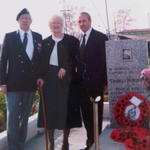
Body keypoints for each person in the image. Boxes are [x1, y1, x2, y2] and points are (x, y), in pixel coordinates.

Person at [0, 8, 43, 150]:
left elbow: (40, 61)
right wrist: (2, 83)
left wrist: (39, 77)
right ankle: (13, 147)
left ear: (31, 20)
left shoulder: (38, 36)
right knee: (12, 118)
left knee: (24, 118)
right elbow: (3, 61)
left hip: (30, 84)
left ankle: (20, 145)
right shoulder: (10, 36)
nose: (25, 20)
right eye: (22, 18)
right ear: (18, 21)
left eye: (27, 18)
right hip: (12, 84)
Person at [37, 15, 82, 150]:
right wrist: (40, 77)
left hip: (66, 80)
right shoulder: (44, 43)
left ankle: (65, 142)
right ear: (49, 26)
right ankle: (50, 141)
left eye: (58, 23)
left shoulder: (72, 41)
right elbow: (40, 63)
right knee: (49, 110)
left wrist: (66, 67)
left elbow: (76, 59)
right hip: (48, 80)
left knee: (65, 110)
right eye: (53, 23)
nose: (55, 25)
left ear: (62, 24)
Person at [77, 12, 108, 150]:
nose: (82, 23)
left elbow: (105, 61)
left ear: (90, 21)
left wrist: (106, 82)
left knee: (96, 113)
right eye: (79, 21)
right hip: (82, 85)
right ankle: (90, 141)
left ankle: (97, 141)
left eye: (84, 21)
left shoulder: (101, 37)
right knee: (86, 114)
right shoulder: (78, 39)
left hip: (96, 84)